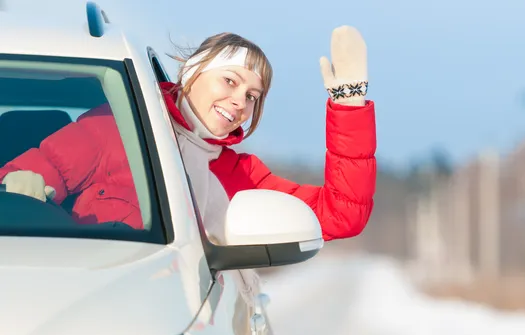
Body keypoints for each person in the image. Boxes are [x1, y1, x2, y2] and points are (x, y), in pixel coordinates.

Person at [0, 25, 376, 245]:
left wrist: (349, 103)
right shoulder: (115, 129)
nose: (239, 102)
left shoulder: (239, 174)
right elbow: (35, 175)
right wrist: (24, 185)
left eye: (252, 96)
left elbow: (341, 214)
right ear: (193, 74)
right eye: (229, 81)